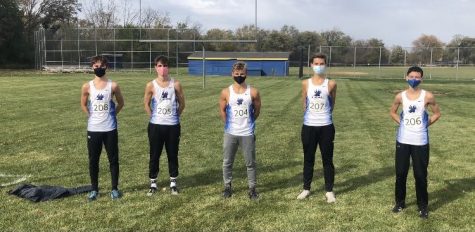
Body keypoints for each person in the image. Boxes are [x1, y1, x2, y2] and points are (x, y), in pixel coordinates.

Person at [389, 66, 441, 219]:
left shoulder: (427, 96)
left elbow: (437, 114)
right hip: (403, 141)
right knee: (400, 173)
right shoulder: (400, 96)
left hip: (420, 142)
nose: (414, 79)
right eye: (411, 76)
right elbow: (392, 111)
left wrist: (426, 124)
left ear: (421, 79)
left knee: (420, 175)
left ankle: (423, 206)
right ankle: (399, 203)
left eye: (417, 77)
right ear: (406, 77)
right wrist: (402, 122)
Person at [80, 55, 124, 201]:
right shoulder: (87, 86)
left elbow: (121, 103)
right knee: (93, 160)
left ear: (107, 67)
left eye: (102, 66)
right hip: (93, 129)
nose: (99, 69)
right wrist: (90, 116)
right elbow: (83, 104)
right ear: (92, 67)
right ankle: (94, 190)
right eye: (96, 66)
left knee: (113, 159)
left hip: (110, 129)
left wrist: (112, 115)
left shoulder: (113, 85)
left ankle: (114, 189)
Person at [297, 53, 337, 203]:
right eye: (316, 63)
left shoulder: (331, 83)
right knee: (308, 159)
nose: (319, 66)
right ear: (311, 65)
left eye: (322, 63)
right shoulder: (306, 83)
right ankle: (306, 188)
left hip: (326, 127)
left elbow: (332, 103)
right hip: (309, 127)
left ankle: (329, 191)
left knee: (327, 160)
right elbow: (304, 102)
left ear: (325, 65)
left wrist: (324, 116)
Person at [218, 61, 261, 200]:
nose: (239, 76)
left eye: (242, 74)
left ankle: (252, 188)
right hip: (231, 133)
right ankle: (227, 186)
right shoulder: (226, 92)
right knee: (227, 162)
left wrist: (249, 122)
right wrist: (229, 125)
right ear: (232, 74)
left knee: (250, 163)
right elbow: (222, 111)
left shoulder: (253, 92)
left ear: (246, 74)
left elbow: (257, 110)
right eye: (236, 74)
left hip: (247, 133)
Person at [144, 55, 185, 196]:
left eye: (165, 65)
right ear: (155, 67)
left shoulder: (176, 84)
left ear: (169, 67)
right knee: (154, 154)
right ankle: (153, 182)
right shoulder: (151, 85)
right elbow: (146, 103)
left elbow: (182, 104)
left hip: (172, 126)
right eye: (160, 66)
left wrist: (174, 116)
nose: (163, 69)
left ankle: (173, 182)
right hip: (156, 126)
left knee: (172, 154)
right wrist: (154, 117)